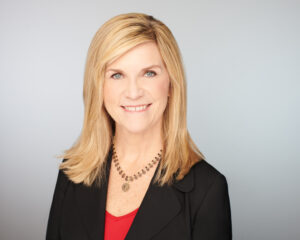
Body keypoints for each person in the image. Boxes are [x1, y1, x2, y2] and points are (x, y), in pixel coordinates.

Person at [46, 12, 232, 240]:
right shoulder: (72, 173)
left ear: (172, 84)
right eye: (117, 75)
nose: (133, 92)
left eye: (149, 73)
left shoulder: (207, 189)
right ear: (98, 87)